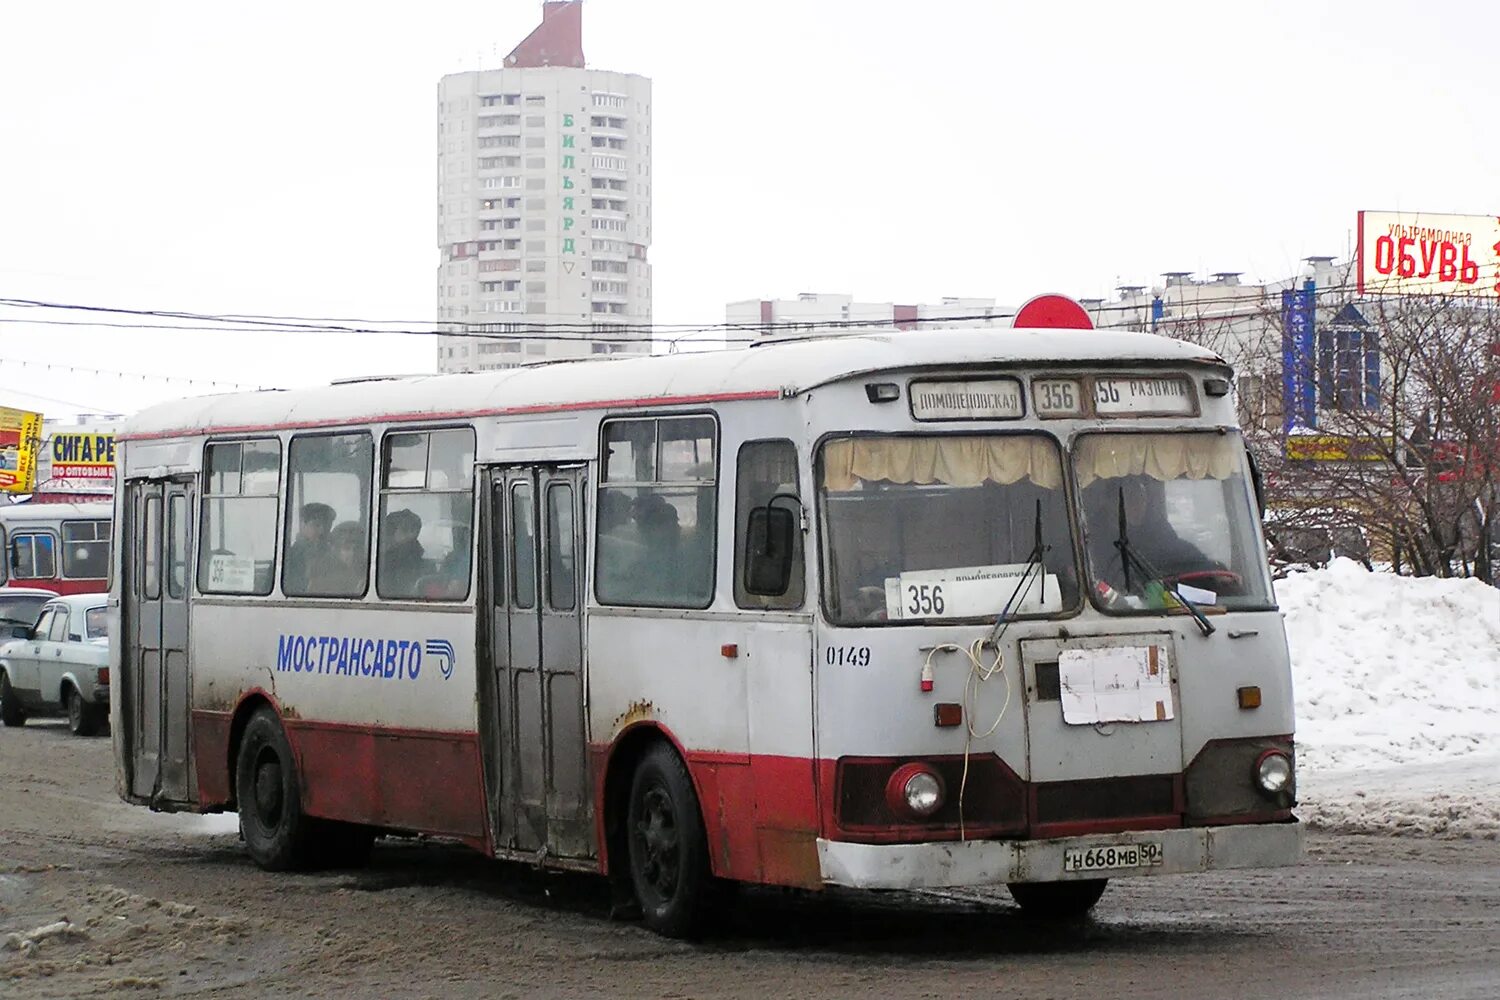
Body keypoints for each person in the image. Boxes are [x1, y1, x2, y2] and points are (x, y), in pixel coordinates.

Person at [1086, 477, 1217, 595]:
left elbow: (1181, 553)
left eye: (1142, 498)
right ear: (1110, 503)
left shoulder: (1158, 531)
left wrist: (1211, 569)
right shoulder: (1091, 539)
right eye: (1130, 499)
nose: (1138, 505)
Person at [284, 502, 335, 595]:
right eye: (316, 525)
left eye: (327, 526)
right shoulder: (288, 558)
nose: (322, 531)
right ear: (303, 525)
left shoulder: (334, 556)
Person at [379, 508, 426, 597]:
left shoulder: (423, 563)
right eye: (405, 530)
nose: (411, 535)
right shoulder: (380, 563)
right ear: (391, 533)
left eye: (414, 530)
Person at [310, 521, 366, 595]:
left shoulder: (368, 571)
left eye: (357, 548)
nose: (351, 553)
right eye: (347, 548)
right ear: (334, 548)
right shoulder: (322, 573)